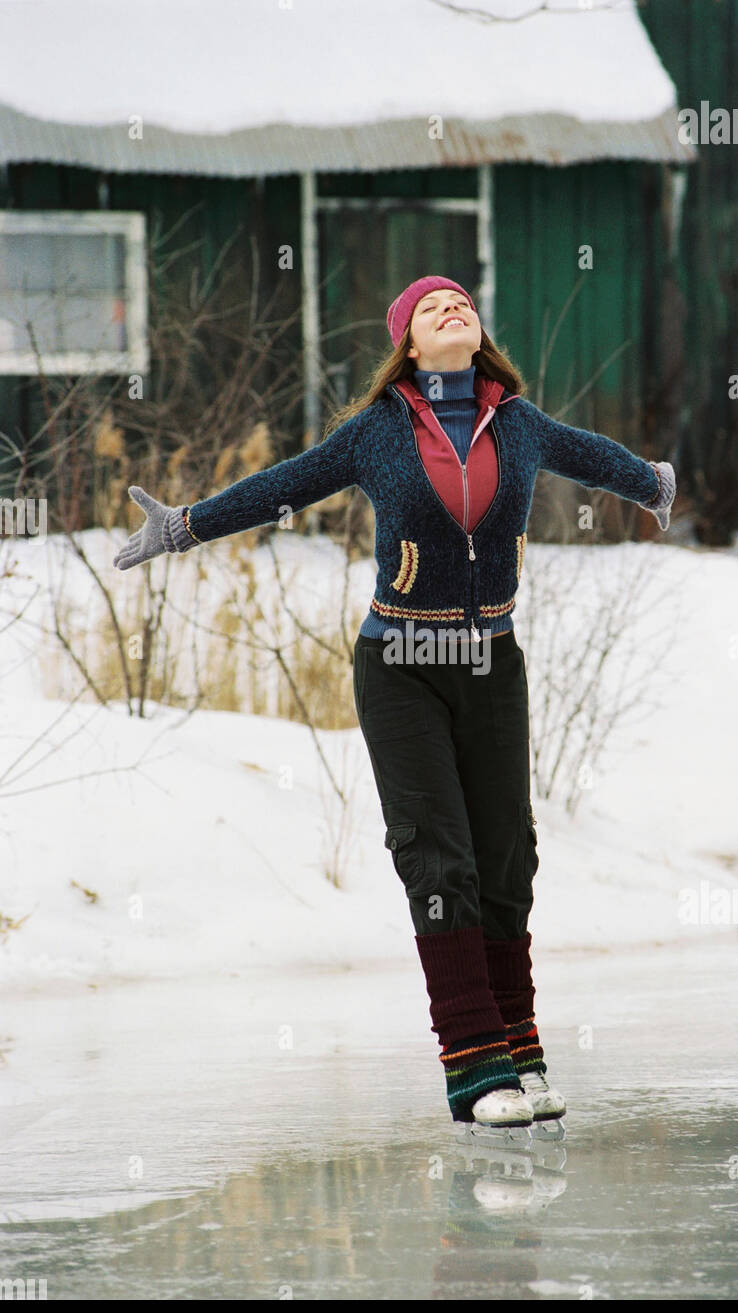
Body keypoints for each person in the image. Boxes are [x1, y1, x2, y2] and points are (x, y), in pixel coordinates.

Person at [114, 274, 676, 1134]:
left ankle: (521, 1053)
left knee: (506, 862)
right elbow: (284, 484)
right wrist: (183, 525)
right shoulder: (378, 431)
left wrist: (649, 483)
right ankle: (474, 1070)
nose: (451, 309)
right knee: (436, 858)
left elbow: (591, 454)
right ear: (409, 345)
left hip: (491, 660)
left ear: (476, 333)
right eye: (428, 308)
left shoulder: (516, 422)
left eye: (460, 302)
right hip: (401, 663)